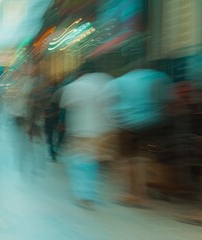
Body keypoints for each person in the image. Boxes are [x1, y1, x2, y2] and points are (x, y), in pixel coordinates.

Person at [106, 60, 173, 208]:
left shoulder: (121, 80)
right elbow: (167, 102)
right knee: (143, 159)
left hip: (127, 124)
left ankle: (131, 194)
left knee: (128, 160)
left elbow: (112, 103)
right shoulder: (160, 77)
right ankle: (143, 196)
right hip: (152, 124)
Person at [60, 60, 115, 210]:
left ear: (80, 73)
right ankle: (91, 194)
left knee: (79, 163)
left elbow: (67, 106)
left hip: (81, 129)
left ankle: (84, 195)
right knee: (93, 163)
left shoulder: (74, 86)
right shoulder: (106, 80)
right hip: (103, 129)